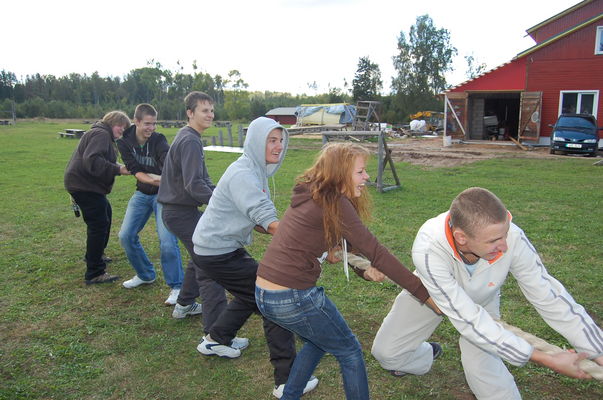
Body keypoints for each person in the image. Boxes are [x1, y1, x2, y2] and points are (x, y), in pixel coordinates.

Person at [371, 187, 603, 400]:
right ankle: (427, 354)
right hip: (431, 293)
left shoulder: (512, 237)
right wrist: (547, 359)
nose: (504, 245)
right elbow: (468, 320)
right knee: (387, 353)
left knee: (483, 365)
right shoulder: (429, 247)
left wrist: (597, 351)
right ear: (462, 237)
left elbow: (549, 296)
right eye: (494, 240)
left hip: (483, 297)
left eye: (505, 234)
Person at [255, 142, 441, 400]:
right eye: (360, 171)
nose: (367, 177)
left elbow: (343, 246)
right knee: (350, 350)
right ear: (340, 173)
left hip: (265, 293)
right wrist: (426, 295)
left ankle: (290, 396)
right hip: (292, 295)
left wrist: (364, 271)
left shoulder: (314, 194)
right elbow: (376, 251)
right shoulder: (334, 202)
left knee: (320, 341)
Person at [191, 117, 318, 399]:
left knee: (252, 293)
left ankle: (216, 339)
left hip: (218, 247)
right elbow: (267, 219)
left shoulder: (253, 170)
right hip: (216, 250)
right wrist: (306, 238)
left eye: (281, 140)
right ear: (256, 142)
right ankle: (287, 381)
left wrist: (286, 232)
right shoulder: (244, 175)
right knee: (273, 300)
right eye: (272, 140)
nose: (278, 146)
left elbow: (262, 221)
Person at [157, 91, 228, 327]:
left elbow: (203, 180)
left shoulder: (190, 137)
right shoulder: (189, 140)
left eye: (211, 110)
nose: (210, 114)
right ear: (190, 113)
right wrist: (221, 204)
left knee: (199, 255)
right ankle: (217, 332)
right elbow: (194, 185)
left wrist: (225, 194)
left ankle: (184, 304)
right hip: (179, 212)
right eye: (204, 110)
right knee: (210, 260)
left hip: (178, 211)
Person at [116, 103, 184, 305]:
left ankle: (177, 286)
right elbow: (134, 169)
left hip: (163, 196)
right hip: (142, 193)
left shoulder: (159, 140)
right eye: (147, 124)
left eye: (154, 123)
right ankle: (145, 274)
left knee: (167, 241)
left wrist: (161, 177)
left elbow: (167, 163)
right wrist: (155, 179)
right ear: (136, 121)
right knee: (125, 235)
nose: (151, 128)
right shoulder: (124, 142)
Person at [64, 111, 131, 284]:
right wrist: (118, 169)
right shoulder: (101, 134)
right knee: (99, 224)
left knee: (104, 215)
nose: (122, 131)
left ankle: (95, 255)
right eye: (120, 126)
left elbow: (98, 159)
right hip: (84, 186)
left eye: (124, 128)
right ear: (111, 123)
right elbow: (92, 161)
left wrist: (120, 167)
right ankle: (94, 272)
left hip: (84, 185)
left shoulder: (101, 134)